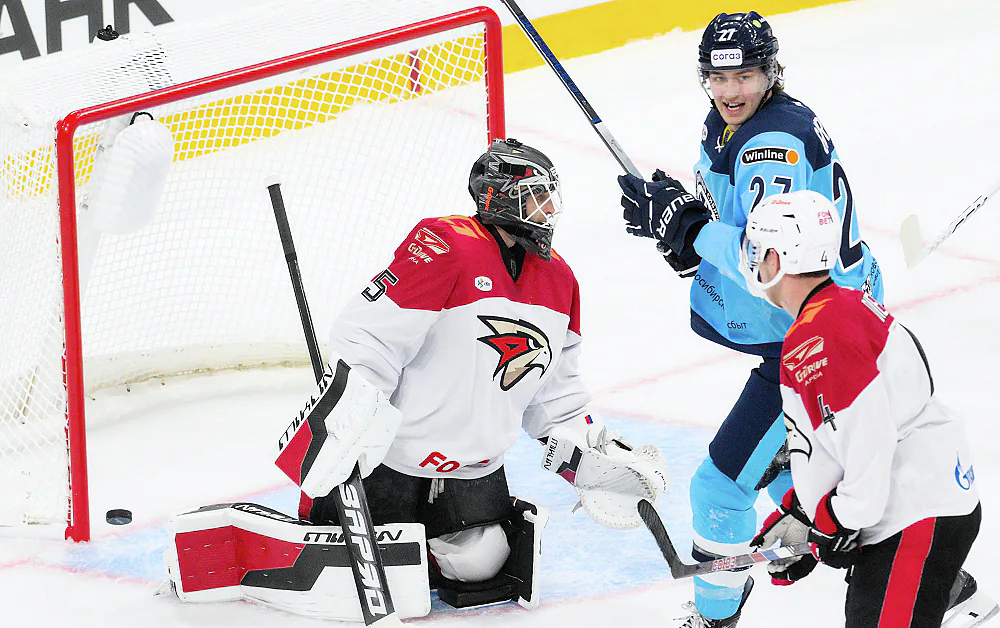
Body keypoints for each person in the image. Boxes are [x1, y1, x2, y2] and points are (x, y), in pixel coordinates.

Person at [163, 138, 668, 621]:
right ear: (498, 197)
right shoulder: (448, 244)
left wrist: (590, 455)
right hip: (394, 455)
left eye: (550, 196)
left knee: (482, 562)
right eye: (535, 196)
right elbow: (372, 332)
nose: (548, 209)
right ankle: (277, 539)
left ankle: (416, 545)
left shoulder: (560, 279)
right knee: (362, 573)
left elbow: (555, 392)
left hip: (471, 464)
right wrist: (352, 407)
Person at [616, 11, 882, 626]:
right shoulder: (736, 123)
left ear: (771, 73)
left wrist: (690, 230)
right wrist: (683, 226)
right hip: (815, 322)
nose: (731, 90)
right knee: (793, 474)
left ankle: (716, 618)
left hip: (813, 337)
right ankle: (942, 582)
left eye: (746, 76)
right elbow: (742, 230)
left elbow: (774, 262)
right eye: (718, 77)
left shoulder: (770, 146)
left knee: (718, 487)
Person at [743, 190, 997, 628]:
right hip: (917, 509)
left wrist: (837, 521)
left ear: (777, 257)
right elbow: (850, 435)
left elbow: (868, 439)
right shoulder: (842, 308)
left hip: (913, 516)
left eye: (757, 251)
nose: (754, 263)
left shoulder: (818, 335)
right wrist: (805, 512)